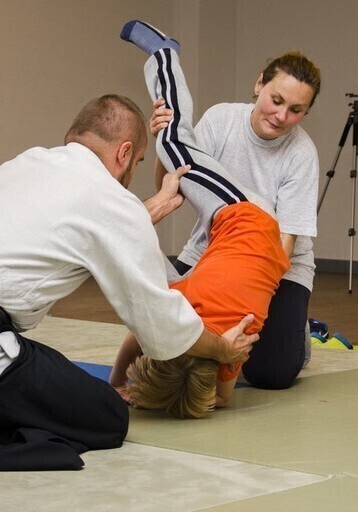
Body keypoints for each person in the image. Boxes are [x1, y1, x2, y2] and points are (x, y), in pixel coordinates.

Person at [0, 94, 257, 470]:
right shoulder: (112, 201)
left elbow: (76, 228)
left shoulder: (31, 161)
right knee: (105, 416)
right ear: (125, 152)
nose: (132, 174)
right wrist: (223, 347)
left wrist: (143, 213)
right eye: (138, 163)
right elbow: (161, 327)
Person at [108, 21, 290, 418]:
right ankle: (164, 53)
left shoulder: (232, 346)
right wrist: (117, 382)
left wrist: (205, 395)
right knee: (174, 139)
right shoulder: (178, 316)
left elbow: (221, 398)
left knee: (146, 255)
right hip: (244, 217)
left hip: (258, 242)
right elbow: (137, 335)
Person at [147, 24, 322, 390]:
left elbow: (284, 246)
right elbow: (176, 183)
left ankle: (297, 334)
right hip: (211, 251)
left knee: (270, 375)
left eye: (295, 110)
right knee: (165, 342)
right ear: (259, 84)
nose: (281, 115)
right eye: (276, 100)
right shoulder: (221, 119)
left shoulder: (302, 153)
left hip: (275, 266)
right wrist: (164, 140)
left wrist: (248, 302)